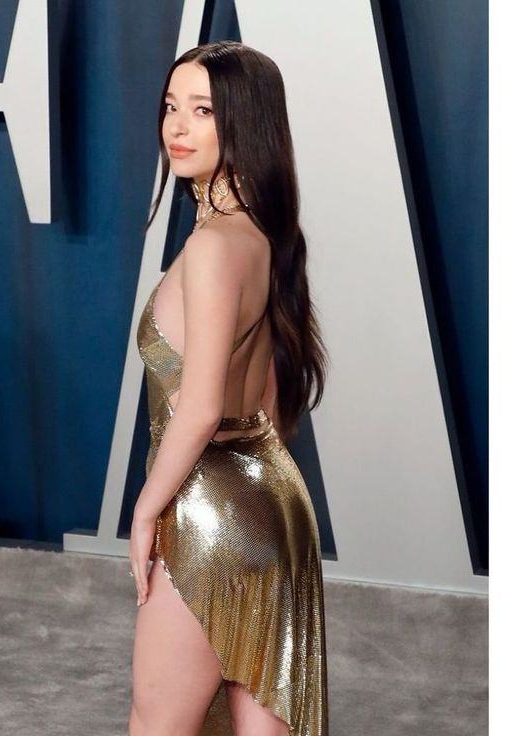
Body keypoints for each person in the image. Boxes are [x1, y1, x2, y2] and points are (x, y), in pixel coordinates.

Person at [128, 41, 329, 736]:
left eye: (203, 111)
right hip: (275, 503)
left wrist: (147, 511)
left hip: (207, 512)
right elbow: (267, 398)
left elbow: (204, 404)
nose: (176, 128)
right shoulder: (261, 237)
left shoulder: (214, 247)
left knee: (159, 724)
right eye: (170, 107)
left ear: (245, 123)